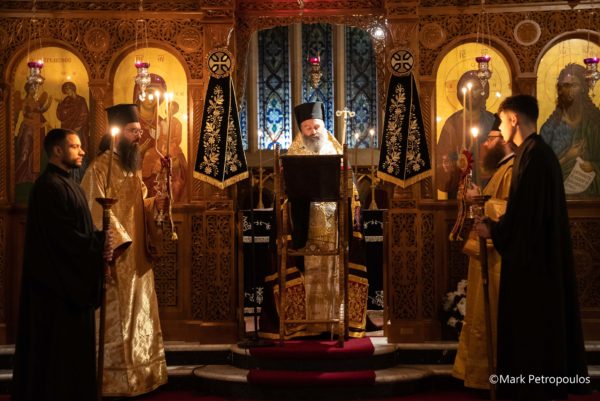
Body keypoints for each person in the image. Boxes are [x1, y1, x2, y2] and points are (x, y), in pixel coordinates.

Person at [475, 95, 589, 401]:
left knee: (531, 339)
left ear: (514, 119)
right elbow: (524, 213)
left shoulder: (534, 158)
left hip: (534, 272)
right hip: (539, 264)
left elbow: (525, 219)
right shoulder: (535, 154)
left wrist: (493, 230)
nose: (500, 127)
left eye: (502, 121)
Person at [12, 128, 112, 401]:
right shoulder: (48, 188)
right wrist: (97, 242)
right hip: (56, 294)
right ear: (57, 150)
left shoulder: (69, 184)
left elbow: (80, 231)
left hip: (70, 290)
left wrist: (98, 240)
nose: (82, 151)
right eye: (75, 146)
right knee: (58, 363)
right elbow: (64, 240)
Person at [81, 104, 168, 397]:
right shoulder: (99, 168)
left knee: (139, 317)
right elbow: (93, 209)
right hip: (118, 257)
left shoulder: (132, 168)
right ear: (116, 134)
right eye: (133, 131)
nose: (138, 136)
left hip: (138, 259)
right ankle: (115, 382)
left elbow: (139, 205)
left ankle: (144, 375)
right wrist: (118, 243)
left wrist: (155, 203)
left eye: (140, 131)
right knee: (117, 320)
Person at [261, 101, 367, 338]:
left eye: (316, 126)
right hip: (304, 229)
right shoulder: (292, 157)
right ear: (301, 130)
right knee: (307, 275)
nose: (313, 132)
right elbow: (282, 197)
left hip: (333, 228)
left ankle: (333, 324)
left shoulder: (337, 154)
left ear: (324, 126)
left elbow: (351, 194)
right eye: (307, 128)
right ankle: (305, 325)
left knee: (332, 276)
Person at [453, 114, 515, 390]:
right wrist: (479, 198)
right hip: (488, 258)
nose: (485, 145)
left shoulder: (511, 170)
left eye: (490, 140)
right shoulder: (500, 170)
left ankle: (493, 376)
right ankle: (480, 374)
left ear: (504, 141)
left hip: (498, 260)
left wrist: (479, 202)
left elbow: (511, 212)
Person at [539, 63, 600, 195]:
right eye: (566, 86)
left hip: (592, 198)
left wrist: (593, 166)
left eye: (574, 85)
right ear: (560, 90)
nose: (570, 91)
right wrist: (567, 157)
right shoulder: (550, 128)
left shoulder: (595, 124)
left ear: (583, 88)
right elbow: (541, 168)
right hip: (556, 195)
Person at [436, 70, 495, 199]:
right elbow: (442, 158)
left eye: (475, 88)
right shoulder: (452, 123)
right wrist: (456, 162)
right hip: (459, 192)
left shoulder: (492, 121)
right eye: (466, 89)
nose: (470, 93)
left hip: (487, 191)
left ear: (483, 91)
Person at [15, 82, 53, 187]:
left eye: (35, 88)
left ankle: (31, 176)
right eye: (32, 88)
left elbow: (40, 111)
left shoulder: (35, 101)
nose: (34, 90)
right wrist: (40, 123)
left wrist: (49, 102)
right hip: (27, 129)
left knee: (34, 152)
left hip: (35, 129)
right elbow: (29, 114)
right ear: (28, 90)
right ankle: (16, 176)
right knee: (24, 153)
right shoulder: (25, 101)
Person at [56, 82, 90, 183]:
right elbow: (61, 116)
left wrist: (76, 128)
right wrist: (60, 105)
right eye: (66, 91)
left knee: (79, 151)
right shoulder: (65, 101)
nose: (68, 92)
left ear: (73, 89)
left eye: (69, 90)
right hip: (68, 131)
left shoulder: (81, 100)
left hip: (78, 131)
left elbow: (84, 115)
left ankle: (80, 178)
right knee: (68, 152)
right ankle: (69, 177)